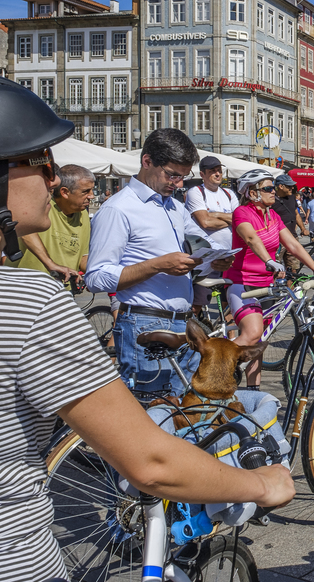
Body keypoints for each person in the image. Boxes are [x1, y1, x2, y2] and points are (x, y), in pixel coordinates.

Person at [0, 70, 293, 582]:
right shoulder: (26, 302)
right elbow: (151, 460)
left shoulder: (172, 207)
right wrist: (260, 483)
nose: (56, 181)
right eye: (41, 166)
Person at [88, 129, 232, 394]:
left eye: (183, 176)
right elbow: (96, 277)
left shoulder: (175, 207)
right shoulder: (118, 209)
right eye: (172, 175)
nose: (178, 184)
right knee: (150, 411)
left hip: (183, 322)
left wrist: (211, 261)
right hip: (145, 323)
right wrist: (158, 265)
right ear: (147, 162)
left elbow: (195, 250)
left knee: (181, 413)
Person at [224, 169, 314, 389]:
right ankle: (215, 371)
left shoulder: (273, 216)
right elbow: (250, 238)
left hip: (266, 285)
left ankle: (253, 389)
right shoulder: (242, 212)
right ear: (252, 193)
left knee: (260, 341)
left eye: (272, 187)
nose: (273, 192)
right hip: (242, 283)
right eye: (267, 188)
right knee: (252, 333)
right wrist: (269, 261)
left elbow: (293, 245)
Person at [15, 163, 95, 282]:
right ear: (64, 192)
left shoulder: (82, 214)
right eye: (86, 191)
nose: (92, 196)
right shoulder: (42, 205)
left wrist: (98, 273)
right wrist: (50, 264)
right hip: (27, 287)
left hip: (63, 290)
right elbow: (26, 232)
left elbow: (83, 258)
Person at [185, 155, 239, 316]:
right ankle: (190, 337)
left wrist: (214, 215)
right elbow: (205, 222)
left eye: (219, 170)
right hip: (207, 258)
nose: (217, 174)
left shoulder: (229, 193)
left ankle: (231, 339)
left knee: (229, 303)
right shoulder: (196, 192)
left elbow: (240, 220)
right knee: (197, 304)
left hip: (228, 256)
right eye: (212, 171)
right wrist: (229, 218)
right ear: (202, 174)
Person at [273, 172, 310, 275]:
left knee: (293, 270)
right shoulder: (271, 199)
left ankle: (291, 290)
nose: (292, 188)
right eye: (289, 186)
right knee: (275, 270)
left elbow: (296, 214)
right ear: (280, 186)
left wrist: (303, 228)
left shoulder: (292, 197)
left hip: (292, 237)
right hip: (278, 240)